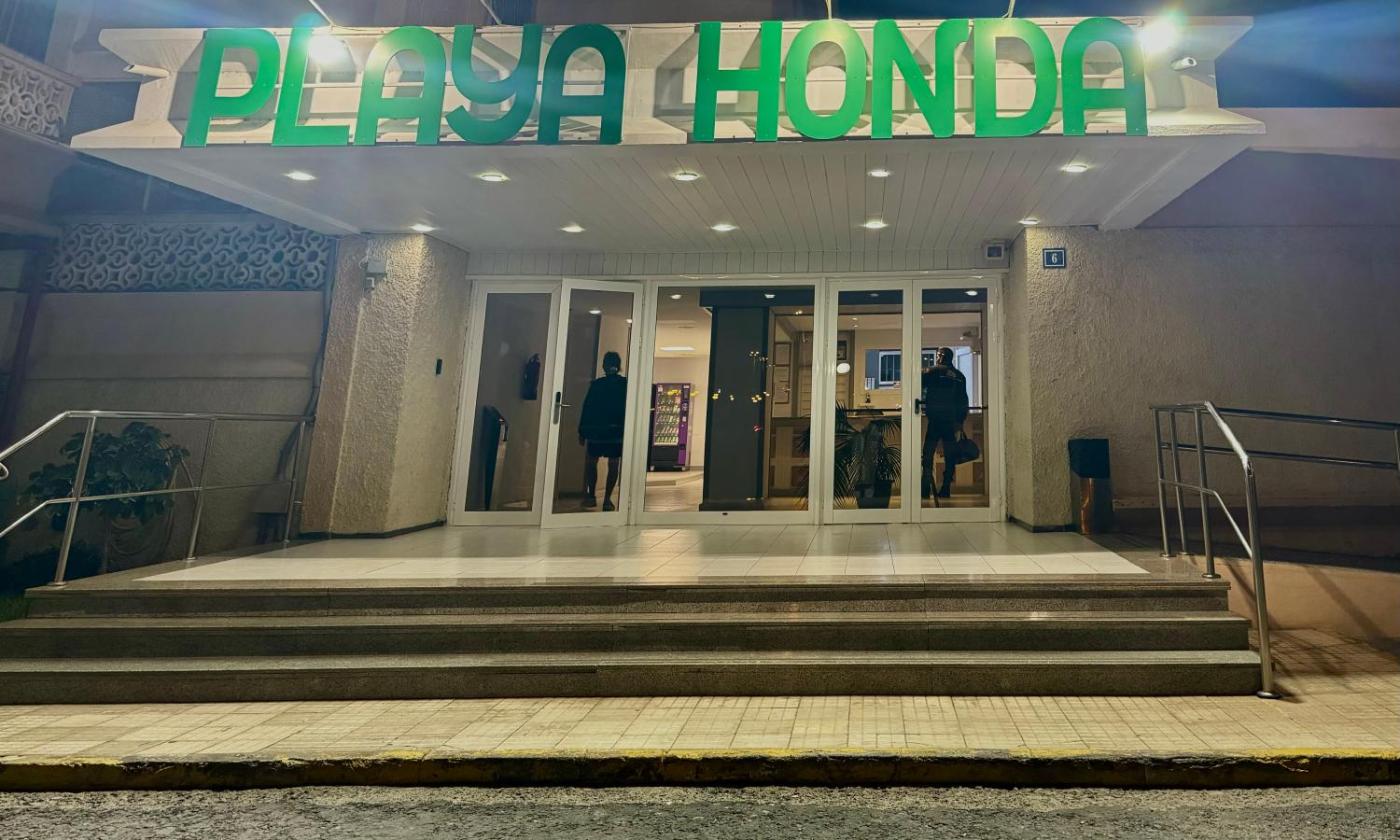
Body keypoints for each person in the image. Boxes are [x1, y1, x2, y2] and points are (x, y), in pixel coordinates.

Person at [578, 351, 627, 511]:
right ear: (618, 366)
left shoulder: (597, 385)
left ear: (604, 366)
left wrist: (582, 431)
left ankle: (591, 495)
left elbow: (587, 408)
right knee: (614, 463)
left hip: (597, 430)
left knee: (591, 462)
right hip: (616, 430)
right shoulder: (624, 384)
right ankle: (607, 499)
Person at [921, 347, 969, 499]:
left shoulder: (931, 372)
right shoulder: (959, 376)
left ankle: (925, 487)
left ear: (941, 356)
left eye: (939, 355)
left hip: (935, 420)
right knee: (950, 455)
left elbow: (918, 386)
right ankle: (946, 487)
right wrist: (960, 421)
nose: (938, 357)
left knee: (928, 453)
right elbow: (963, 401)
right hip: (951, 421)